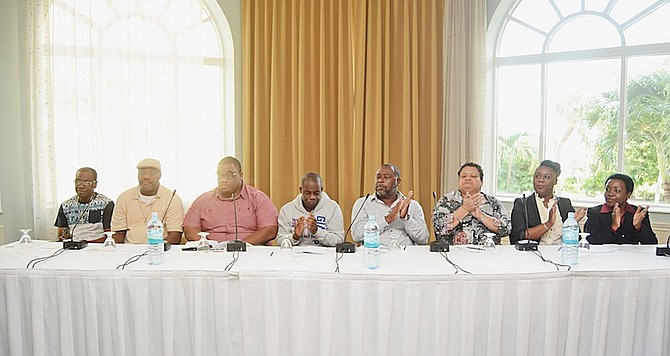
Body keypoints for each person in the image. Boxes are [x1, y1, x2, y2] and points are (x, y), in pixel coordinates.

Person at [183, 156, 278, 244]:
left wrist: (241, 245)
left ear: (240, 175)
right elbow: (189, 228)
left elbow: (269, 230)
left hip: (249, 251)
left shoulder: (257, 198)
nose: (223, 180)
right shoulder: (203, 200)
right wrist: (206, 244)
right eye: (220, 175)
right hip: (211, 253)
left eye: (229, 175)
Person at [350, 164, 429, 248]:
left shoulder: (413, 205)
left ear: (398, 181)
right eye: (378, 177)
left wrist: (406, 218)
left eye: (386, 177)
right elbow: (357, 235)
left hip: (405, 257)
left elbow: (423, 239)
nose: (380, 180)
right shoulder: (363, 204)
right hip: (375, 255)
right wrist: (387, 219)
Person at [432, 162, 510, 245]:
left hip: (487, 253)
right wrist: (464, 209)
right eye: (463, 176)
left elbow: (506, 229)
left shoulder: (492, 202)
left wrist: (481, 216)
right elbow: (439, 227)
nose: (467, 179)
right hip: (454, 253)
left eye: (473, 176)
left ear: (481, 182)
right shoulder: (446, 200)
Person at [509, 160, 586, 244]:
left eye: (547, 177)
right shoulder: (522, 204)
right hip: (533, 253)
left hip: (561, 252)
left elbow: (575, 239)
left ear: (555, 181)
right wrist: (548, 224)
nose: (540, 180)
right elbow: (518, 236)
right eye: (537, 176)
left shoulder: (565, 204)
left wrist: (572, 224)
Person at [111, 158, 184, 244]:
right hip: (129, 250)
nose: (146, 177)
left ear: (160, 176)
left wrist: (155, 249)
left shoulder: (172, 199)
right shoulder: (124, 197)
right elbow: (118, 233)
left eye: (152, 173)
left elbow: (175, 236)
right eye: (142, 173)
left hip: (160, 251)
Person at [584, 173, 657, 245]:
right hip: (604, 256)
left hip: (631, 256)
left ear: (628, 194)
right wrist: (613, 228)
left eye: (617, 191)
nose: (610, 194)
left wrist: (639, 227)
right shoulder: (595, 213)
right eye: (607, 189)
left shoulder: (638, 213)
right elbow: (590, 242)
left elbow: (652, 243)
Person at [276, 172, 344, 247]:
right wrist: (294, 237)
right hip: (295, 256)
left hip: (325, 256)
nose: (312, 197)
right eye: (308, 193)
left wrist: (317, 232)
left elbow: (339, 240)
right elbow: (279, 241)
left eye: (316, 193)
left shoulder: (333, 208)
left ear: (321, 190)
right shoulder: (287, 210)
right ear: (301, 190)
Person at [54, 167, 115, 242]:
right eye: (78, 181)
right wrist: (64, 238)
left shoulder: (107, 204)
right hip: (73, 248)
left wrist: (85, 244)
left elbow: (110, 236)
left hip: (98, 247)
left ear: (95, 184)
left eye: (87, 182)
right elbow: (61, 234)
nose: (81, 186)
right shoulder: (65, 205)